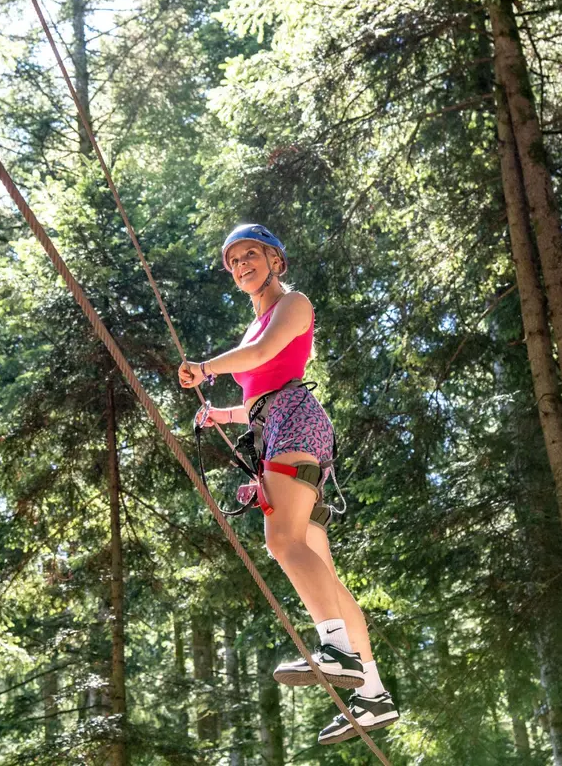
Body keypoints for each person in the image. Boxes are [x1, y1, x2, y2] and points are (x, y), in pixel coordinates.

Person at [178, 223, 399, 745]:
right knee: (320, 568)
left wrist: (206, 367)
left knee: (282, 542)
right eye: (233, 262)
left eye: (250, 254)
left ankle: (336, 649)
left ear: (275, 260)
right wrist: (221, 416)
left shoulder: (293, 304)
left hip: (295, 422)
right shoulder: (253, 326)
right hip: (277, 422)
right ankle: (371, 693)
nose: (241, 265)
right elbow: (259, 389)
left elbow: (262, 360)